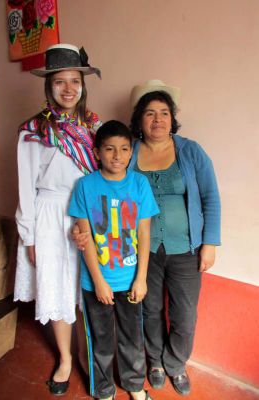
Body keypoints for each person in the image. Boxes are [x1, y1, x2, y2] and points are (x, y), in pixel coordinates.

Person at [14, 43, 101, 396]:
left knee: (90, 286)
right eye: (59, 82)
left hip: (88, 214)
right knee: (58, 290)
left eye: (75, 81)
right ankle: (65, 358)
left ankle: (90, 355)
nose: (68, 89)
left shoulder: (94, 126)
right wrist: (29, 236)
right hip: (49, 216)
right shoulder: (34, 129)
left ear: (83, 85)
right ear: (48, 86)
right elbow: (25, 187)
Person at [128, 79, 221, 396]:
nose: (157, 120)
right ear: (139, 119)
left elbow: (211, 197)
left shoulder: (190, 151)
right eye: (150, 113)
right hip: (143, 251)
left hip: (186, 249)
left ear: (172, 118)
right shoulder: (129, 152)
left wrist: (209, 243)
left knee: (184, 314)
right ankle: (154, 361)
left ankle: (176, 363)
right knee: (149, 309)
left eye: (164, 113)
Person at [68, 120, 159, 400]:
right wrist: (98, 282)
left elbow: (144, 234)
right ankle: (105, 389)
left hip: (131, 281)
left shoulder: (140, 184)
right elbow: (84, 238)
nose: (117, 156)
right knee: (102, 340)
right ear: (97, 152)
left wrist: (141, 278)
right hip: (97, 282)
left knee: (132, 338)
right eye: (109, 149)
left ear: (131, 153)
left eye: (123, 149)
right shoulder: (85, 186)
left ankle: (134, 385)